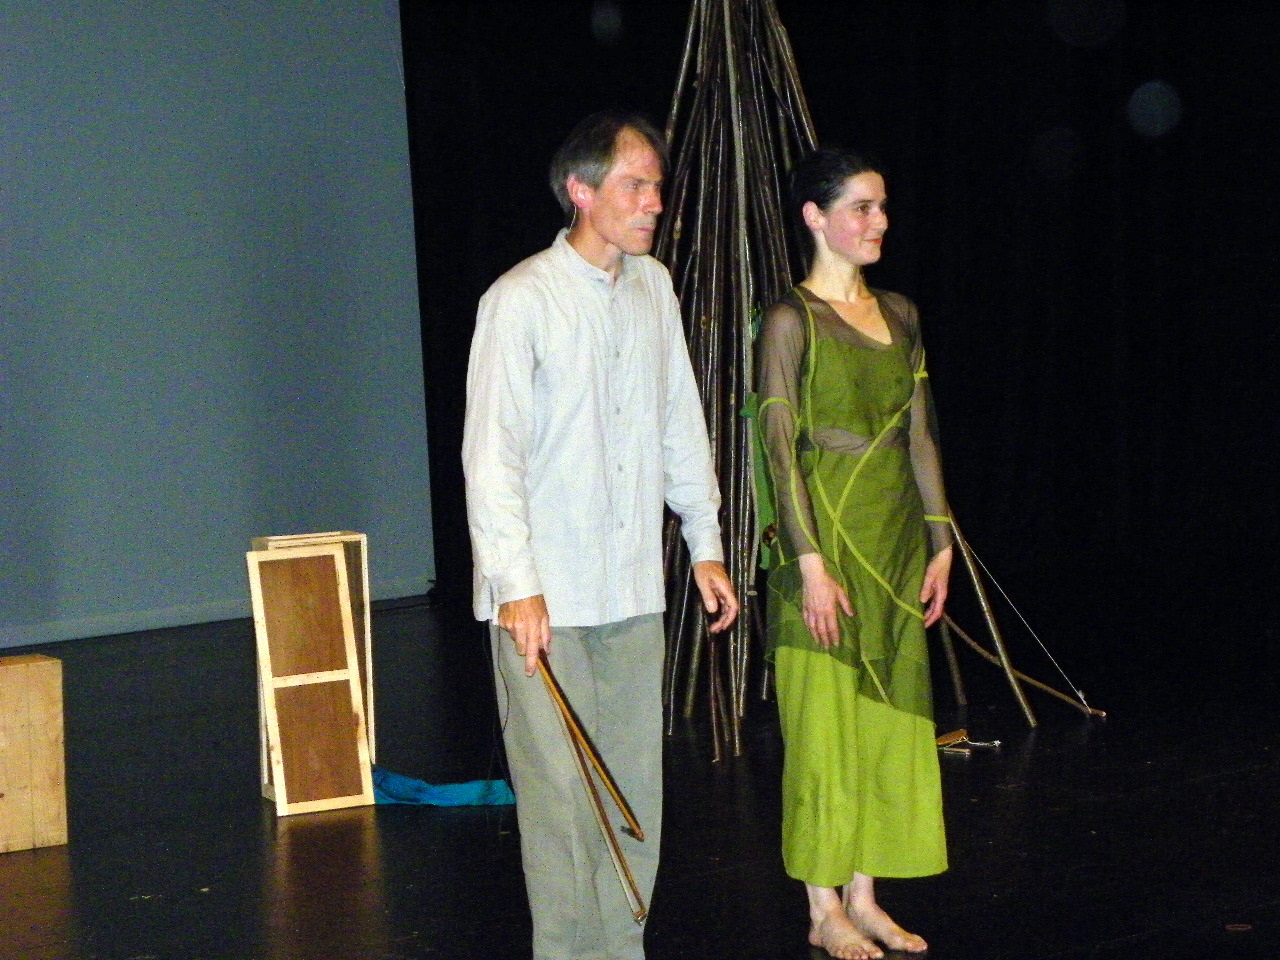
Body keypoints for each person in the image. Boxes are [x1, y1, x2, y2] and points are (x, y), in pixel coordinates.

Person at [462, 111, 739, 960]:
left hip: (630, 592)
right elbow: (491, 456)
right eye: (635, 185)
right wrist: (516, 586)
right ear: (581, 192)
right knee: (562, 804)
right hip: (543, 602)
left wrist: (705, 543)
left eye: (657, 185)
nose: (654, 201)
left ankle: (623, 950)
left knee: (632, 793)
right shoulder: (520, 300)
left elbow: (679, 422)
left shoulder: (654, 289)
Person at [756, 148, 953, 960]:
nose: (879, 222)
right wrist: (807, 562)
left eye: (881, 207)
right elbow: (777, 448)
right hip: (825, 543)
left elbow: (921, 435)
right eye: (861, 208)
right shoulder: (789, 320)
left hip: (895, 543)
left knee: (883, 719)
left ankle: (865, 898)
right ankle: (822, 908)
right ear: (815, 217)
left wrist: (940, 541)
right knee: (823, 724)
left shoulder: (901, 313)